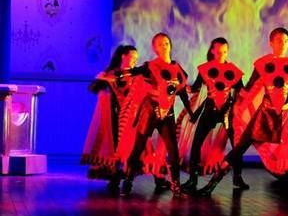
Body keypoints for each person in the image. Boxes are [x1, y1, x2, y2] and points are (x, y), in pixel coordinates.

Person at [197, 28, 288, 201]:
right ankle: (211, 185)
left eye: (285, 41)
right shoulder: (262, 64)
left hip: (286, 115)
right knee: (239, 149)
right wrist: (234, 105)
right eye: (279, 40)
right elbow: (247, 89)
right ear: (271, 43)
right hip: (265, 115)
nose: (283, 44)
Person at [119, 33, 194, 196]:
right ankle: (128, 180)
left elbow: (182, 92)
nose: (164, 46)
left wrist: (191, 112)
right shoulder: (151, 66)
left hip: (167, 114)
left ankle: (176, 185)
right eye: (160, 44)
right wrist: (122, 73)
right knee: (138, 147)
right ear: (155, 48)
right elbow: (134, 71)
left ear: (170, 45)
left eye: (166, 43)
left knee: (173, 150)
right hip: (150, 112)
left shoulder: (177, 69)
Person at [179, 37, 247, 194]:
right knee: (196, 143)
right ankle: (193, 179)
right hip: (210, 110)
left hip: (227, 112)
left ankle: (237, 177)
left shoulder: (233, 70)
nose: (222, 54)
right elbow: (195, 88)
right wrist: (182, 86)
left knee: (237, 146)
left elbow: (242, 91)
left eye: (225, 51)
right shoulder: (205, 69)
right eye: (219, 51)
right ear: (212, 51)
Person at [81, 45, 138, 194]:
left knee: (132, 146)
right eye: (132, 57)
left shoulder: (135, 75)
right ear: (123, 56)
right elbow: (94, 88)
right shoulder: (111, 74)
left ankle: (127, 176)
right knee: (114, 146)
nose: (134, 61)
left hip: (130, 117)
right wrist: (103, 81)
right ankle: (114, 177)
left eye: (136, 58)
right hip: (114, 115)